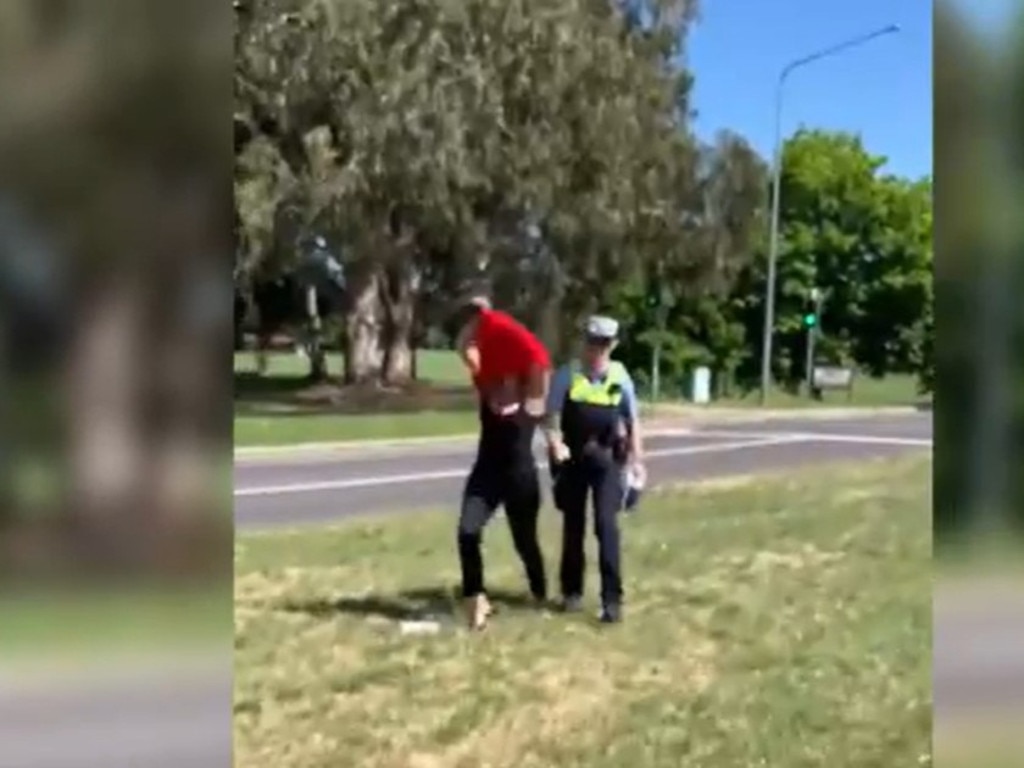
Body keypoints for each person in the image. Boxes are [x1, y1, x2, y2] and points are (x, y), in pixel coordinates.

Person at [452, 296, 553, 630]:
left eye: (508, 382)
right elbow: (468, 349)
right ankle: (474, 598)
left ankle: (539, 590)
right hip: (487, 472)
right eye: (497, 382)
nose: (501, 388)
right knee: (467, 531)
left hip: (520, 478)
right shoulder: (486, 389)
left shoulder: (530, 407)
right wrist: (474, 325)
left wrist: (556, 440)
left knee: (525, 542)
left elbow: (537, 364)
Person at [543, 315, 645, 624]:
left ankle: (612, 601)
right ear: (583, 343)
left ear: (612, 346)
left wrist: (637, 461)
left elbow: (633, 421)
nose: (596, 351)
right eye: (592, 343)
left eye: (603, 345)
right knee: (573, 526)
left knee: (606, 526)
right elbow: (551, 417)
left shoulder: (620, 376)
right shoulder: (568, 375)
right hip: (572, 459)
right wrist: (555, 443)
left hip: (607, 460)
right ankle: (571, 592)